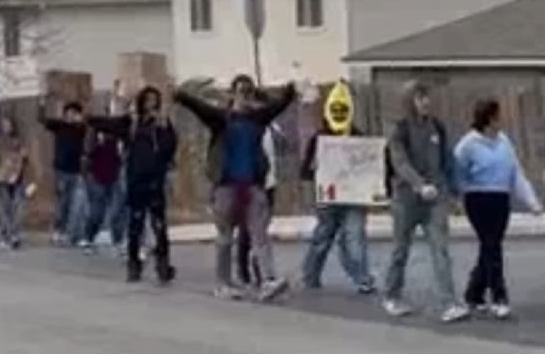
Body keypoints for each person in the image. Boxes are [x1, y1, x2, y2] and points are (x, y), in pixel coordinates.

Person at [175, 75, 296, 302]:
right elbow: (200, 108)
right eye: (241, 91)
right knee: (225, 237)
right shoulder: (221, 119)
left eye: (249, 92)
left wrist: (289, 91)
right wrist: (182, 96)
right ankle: (223, 283)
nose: (245, 95)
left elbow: (278, 105)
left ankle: (268, 279)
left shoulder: (258, 119)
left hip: (252, 186)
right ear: (232, 94)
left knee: (260, 234)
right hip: (226, 186)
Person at [381, 80, 467, 323]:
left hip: (435, 197)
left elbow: (446, 160)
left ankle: (449, 303)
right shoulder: (400, 129)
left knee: (440, 249)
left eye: (427, 96)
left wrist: (454, 192)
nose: (426, 102)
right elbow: (400, 162)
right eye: (420, 97)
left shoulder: (437, 127)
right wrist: (419, 185)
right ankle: (391, 295)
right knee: (401, 249)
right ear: (409, 101)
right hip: (407, 199)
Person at [453, 98, 543, 319]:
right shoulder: (468, 144)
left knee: (490, 247)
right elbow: (456, 171)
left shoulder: (504, 141)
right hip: (478, 198)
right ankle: (499, 296)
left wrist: (531, 201)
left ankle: (473, 293)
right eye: (498, 115)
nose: (502, 119)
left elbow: (515, 173)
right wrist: (458, 195)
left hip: (500, 198)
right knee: (492, 246)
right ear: (489, 118)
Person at [89, 86, 178, 284]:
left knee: (159, 225)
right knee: (135, 225)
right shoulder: (132, 123)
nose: (151, 105)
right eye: (147, 100)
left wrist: (163, 127)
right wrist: (89, 118)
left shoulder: (162, 124)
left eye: (155, 100)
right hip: (136, 179)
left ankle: (163, 265)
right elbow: (108, 124)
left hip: (155, 180)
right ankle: (133, 264)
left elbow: (170, 147)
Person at [299, 83, 375, 294]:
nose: (340, 114)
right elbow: (304, 171)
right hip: (328, 198)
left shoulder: (360, 138)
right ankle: (310, 275)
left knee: (355, 237)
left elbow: (373, 167)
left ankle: (363, 278)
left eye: (343, 110)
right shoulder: (319, 139)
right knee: (323, 237)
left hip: (353, 198)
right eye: (336, 110)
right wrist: (314, 170)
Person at [39, 99, 88, 246]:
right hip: (61, 170)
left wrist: (81, 121)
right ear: (65, 114)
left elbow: (88, 128)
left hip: (76, 170)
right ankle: (57, 230)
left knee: (74, 202)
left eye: (75, 113)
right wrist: (42, 104)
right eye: (69, 113)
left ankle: (69, 232)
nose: (72, 116)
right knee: (62, 202)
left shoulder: (81, 129)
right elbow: (42, 120)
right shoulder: (59, 126)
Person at [238, 120, 280, 287]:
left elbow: (282, 150)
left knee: (260, 228)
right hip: (250, 183)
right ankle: (254, 272)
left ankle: (256, 270)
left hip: (269, 183)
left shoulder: (271, 127)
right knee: (251, 229)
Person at [0, 115, 34, 249]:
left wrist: (23, 157)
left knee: (17, 208)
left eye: (7, 124)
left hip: (17, 178)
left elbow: (25, 159)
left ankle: (14, 234)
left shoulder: (18, 141)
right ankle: (6, 235)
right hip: (2, 178)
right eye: (3, 125)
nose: (5, 127)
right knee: (5, 208)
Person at [81, 127, 123, 251]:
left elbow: (122, 154)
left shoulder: (120, 133)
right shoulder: (94, 132)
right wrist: (86, 174)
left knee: (117, 211)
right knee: (97, 212)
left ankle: (118, 239)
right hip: (96, 176)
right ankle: (89, 237)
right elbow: (87, 152)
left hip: (114, 176)